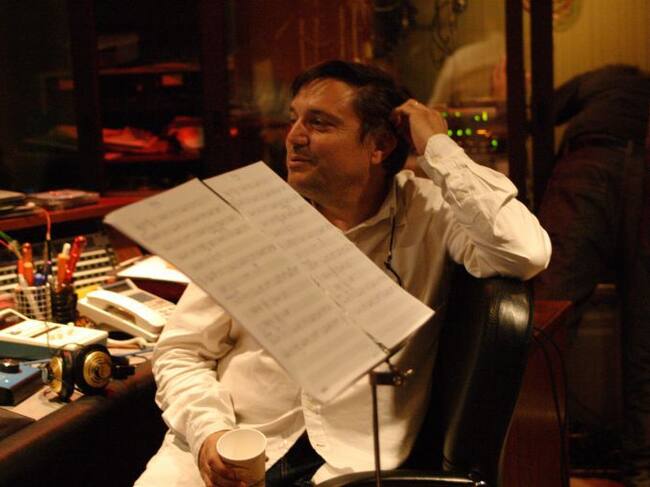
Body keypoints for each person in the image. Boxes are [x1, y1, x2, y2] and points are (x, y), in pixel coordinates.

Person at [135, 60, 551, 487]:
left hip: (348, 466)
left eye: (319, 123)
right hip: (230, 445)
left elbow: (524, 251)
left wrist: (438, 147)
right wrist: (210, 432)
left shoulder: (429, 212)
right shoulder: (250, 216)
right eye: (294, 119)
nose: (294, 137)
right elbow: (181, 350)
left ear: (380, 144)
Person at [534, 64, 650, 487]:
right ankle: (643, 466)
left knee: (549, 316)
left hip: (592, 164)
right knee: (645, 330)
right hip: (643, 169)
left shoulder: (602, 78)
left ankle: (537, 459)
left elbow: (542, 110)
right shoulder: (637, 90)